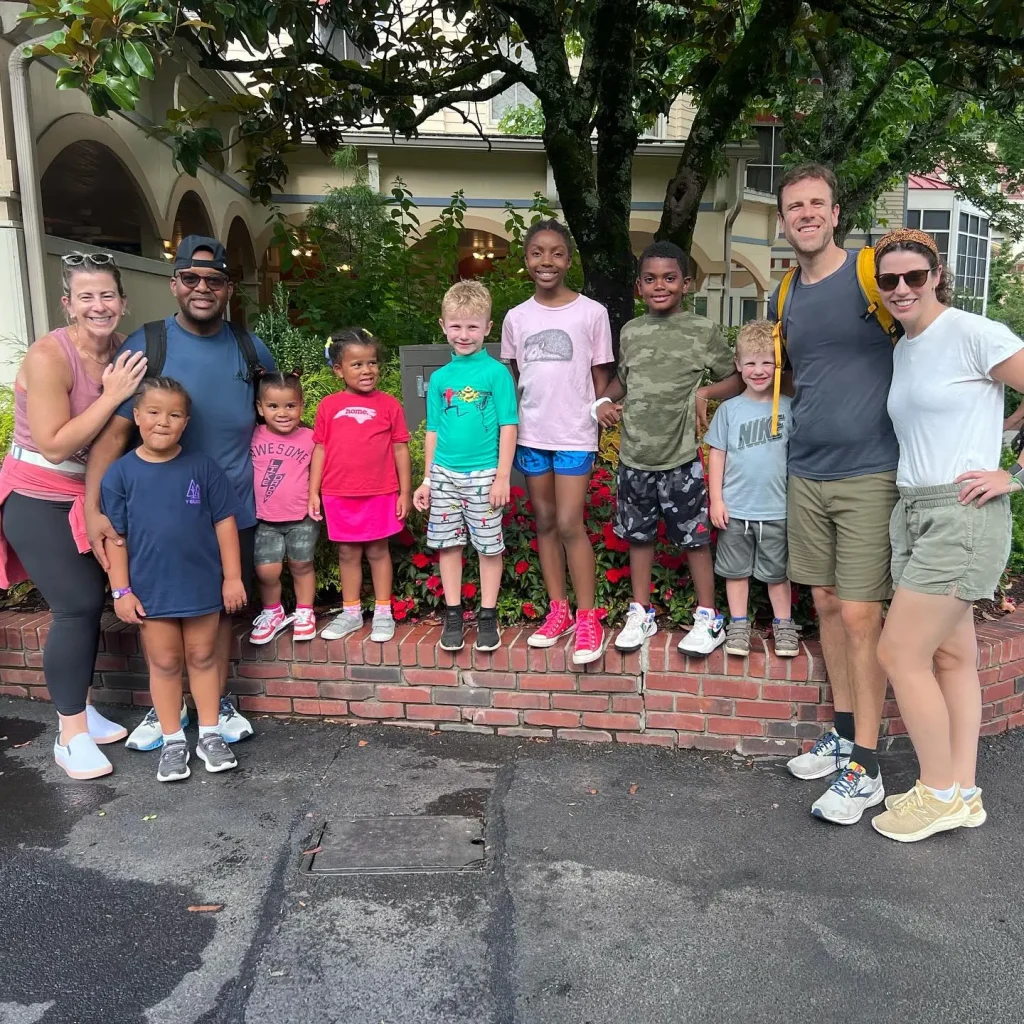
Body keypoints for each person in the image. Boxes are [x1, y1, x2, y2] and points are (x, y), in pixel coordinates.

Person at [703, 164, 900, 825]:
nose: (806, 213)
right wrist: (710, 395)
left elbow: (932, 342)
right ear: (783, 219)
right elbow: (778, 378)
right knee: (826, 605)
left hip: (869, 468)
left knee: (862, 614)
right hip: (805, 470)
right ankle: (844, 734)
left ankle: (866, 769)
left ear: (836, 213)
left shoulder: (872, 275)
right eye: (795, 206)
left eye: (818, 203)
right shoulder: (786, 293)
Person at [85, 235, 275, 752]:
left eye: (214, 280)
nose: (202, 288)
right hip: (160, 516)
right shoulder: (147, 344)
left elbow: (277, 418)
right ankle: (169, 706)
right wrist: (93, 508)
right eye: (191, 278)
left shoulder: (250, 347)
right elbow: (114, 435)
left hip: (231, 509)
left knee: (220, 612)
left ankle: (214, 703)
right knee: (162, 613)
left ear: (229, 289)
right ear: (175, 284)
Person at [867, 228, 1024, 842]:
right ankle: (963, 790)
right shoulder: (906, 349)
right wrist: (1001, 428)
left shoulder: (972, 332)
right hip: (915, 510)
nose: (901, 288)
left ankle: (934, 794)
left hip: (961, 514)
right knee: (952, 656)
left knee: (898, 653)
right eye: (889, 280)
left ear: (936, 276)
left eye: (914, 276)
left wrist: (1014, 474)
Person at [0, 253, 147, 779]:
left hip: (90, 495)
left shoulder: (127, 352)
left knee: (90, 604)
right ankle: (69, 734)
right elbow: (55, 444)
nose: (98, 305)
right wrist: (113, 395)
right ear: (68, 304)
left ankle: (81, 709)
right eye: (86, 296)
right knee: (76, 605)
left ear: (122, 302)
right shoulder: (49, 355)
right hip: (37, 494)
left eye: (107, 295)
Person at [101, 377, 246, 782]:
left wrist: (232, 578)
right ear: (136, 416)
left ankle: (210, 734)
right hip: (152, 590)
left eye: (174, 414)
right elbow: (116, 536)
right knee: (164, 662)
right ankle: (172, 741)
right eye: (153, 412)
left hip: (201, 585)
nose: (163, 421)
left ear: (186, 422)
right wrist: (121, 590)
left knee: (203, 657)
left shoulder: (203, 467)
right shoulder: (120, 474)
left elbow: (225, 524)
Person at [595, 241, 734, 655]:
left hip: (682, 458)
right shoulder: (631, 332)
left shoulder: (702, 330)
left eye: (669, 278)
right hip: (634, 456)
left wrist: (705, 392)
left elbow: (736, 377)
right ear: (638, 286)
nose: (660, 286)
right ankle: (641, 613)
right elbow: (624, 381)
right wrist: (602, 401)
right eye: (650, 279)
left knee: (695, 539)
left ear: (686, 284)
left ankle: (709, 618)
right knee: (639, 538)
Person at [500, 219, 615, 665]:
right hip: (532, 435)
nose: (546, 261)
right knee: (545, 522)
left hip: (574, 435)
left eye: (556, 253)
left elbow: (600, 379)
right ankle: (559, 611)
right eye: (537, 253)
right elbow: (515, 377)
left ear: (569, 260)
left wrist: (599, 413)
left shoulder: (592, 313)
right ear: (526, 259)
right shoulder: (516, 318)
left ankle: (588, 617)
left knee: (569, 523)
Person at [413, 281, 518, 653]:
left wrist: (502, 477)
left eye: (473, 326)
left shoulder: (496, 373)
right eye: (456, 326)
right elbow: (433, 430)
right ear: (443, 326)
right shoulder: (441, 378)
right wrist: (427, 479)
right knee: (449, 547)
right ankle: (454, 614)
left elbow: (509, 425)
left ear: (487, 327)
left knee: (489, 548)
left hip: (484, 475)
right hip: (444, 476)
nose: (464, 334)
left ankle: (487, 615)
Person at [308, 329, 411, 643]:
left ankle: (383, 611)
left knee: (379, 551)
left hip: (381, 492)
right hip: (338, 493)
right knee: (348, 552)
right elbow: (320, 448)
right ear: (339, 370)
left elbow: (400, 449)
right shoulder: (328, 406)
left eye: (372, 362)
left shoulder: (390, 405)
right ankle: (351, 612)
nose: (367, 370)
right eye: (357, 365)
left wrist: (405, 492)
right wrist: (313, 491)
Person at [705, 320, 798, 658]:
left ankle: (783, 624)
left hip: (776, 509)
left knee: (777, 574)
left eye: (767, 362)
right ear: (738, 364)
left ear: (779, 365)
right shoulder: (729, 411)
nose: (759, 370)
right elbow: (718, 455)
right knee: (736, 572)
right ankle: (739, 625)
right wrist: (716, 499)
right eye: (751, 363)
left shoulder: (789, 407)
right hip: (736, 509)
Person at [248, 369, 319, 645]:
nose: (283, 413)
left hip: (302, 517)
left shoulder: (310, 438)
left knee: (302, 565)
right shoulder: (253, 436)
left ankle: (305, 612)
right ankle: (273, 611)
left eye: (290, 406)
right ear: (260, 408)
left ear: (301, 405)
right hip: (265, 519)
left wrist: (316, 496)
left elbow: (320, 471)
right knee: (266, 571)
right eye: (273, 406)